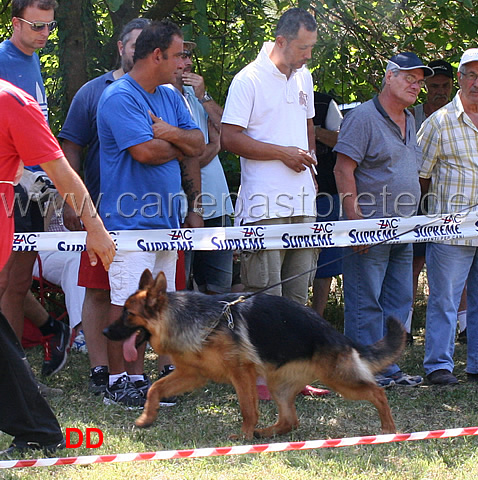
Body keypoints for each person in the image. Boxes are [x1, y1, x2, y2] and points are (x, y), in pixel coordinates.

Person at [0, 78, 115, 457]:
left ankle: (40, 431)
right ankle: (39, 431)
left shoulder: (14, 102)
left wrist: (94, 228)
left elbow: (61, 171)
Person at [221, 8, 329, 400]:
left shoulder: (304, 76)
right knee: (262, 296)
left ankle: (293, 376)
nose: (308, 56)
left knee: (297, 296)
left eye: (312, 48)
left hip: (302, 201)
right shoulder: (247, 79)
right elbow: (229, 138)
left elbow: (307, 127)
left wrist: (312, 172)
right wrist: (281, 154)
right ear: (281, 41)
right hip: (263, 205)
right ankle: (260, 379)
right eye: (303, 47)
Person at [97, 19, 204, 408]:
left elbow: (199, 143)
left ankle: (139, 379)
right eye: (177, 56)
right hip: (129, 224)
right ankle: (116, 382)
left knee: (157, 305)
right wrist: (178, 142)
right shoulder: (119, 96)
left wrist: (169, 134)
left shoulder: (170, 97)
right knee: (128, 302)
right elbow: (143, 152)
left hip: (166, 221)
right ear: (157, 55)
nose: (182, 63)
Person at [58, 17, 150, 396]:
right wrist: (73, 202)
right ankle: (100, 369)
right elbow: (70, 147)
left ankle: (136, 372)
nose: (140, 51)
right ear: (120, 47)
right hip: (99, 209)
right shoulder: (93, 92)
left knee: (141, 293)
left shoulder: (160, 90)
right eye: (134, 44)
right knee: (98, 291)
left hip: (150, 213)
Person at [333, 52, 430, 388]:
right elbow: (343, 169)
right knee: (365, 302)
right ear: (389, 76)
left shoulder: (411, 119)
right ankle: (363, 373)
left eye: (419, 81)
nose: (416, 86)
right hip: (369, 230)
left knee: (399, 301)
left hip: (404, 228)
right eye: (409, 78)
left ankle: (388, 368)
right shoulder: (362, 117)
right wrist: (356, 223)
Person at [418, 48, 478, 386]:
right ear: (459, 78)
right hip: (450, 232)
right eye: (471, 75)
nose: (477, 83)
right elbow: (420, 177)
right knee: (444, 301)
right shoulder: (437, 123)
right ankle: (438, 366)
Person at [0, 0, 71, 378]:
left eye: (50, 27)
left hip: (34, 187)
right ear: (16, 23)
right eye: (37, 26)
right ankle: (20, 373)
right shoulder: (3, 59)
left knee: (17, 281)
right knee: (8, 280)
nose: (45, 35)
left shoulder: (31, 59)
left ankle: (19, 376)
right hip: (9, 183)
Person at [173, 40, 234, 295]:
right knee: (181, 290)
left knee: (219, 291)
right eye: (182, 56)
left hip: (217, 205)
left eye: (190, 56)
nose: (188, 63)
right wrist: (215, 147)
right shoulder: (161, 97)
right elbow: (188, 157)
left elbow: (229, 131)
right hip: (182, 208)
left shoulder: (194, 95)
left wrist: (204, 97)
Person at [409, 59, 455, 339]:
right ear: (425, 86)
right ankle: (405, 324)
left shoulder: (460, 115)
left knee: (452, 268)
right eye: (434, 85)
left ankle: (461, 324)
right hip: (413, 198)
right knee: (413, 264)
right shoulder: (410, 116)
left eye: (445, 86)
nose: (440, 91)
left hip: (450, 200)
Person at [311, 92, 344, 317]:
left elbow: (343, 139)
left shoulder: (323, 102)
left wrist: (313, 132)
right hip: (283, 197)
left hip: (326, 194)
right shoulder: (266, 95)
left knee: (326, 262)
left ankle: (317, 317)